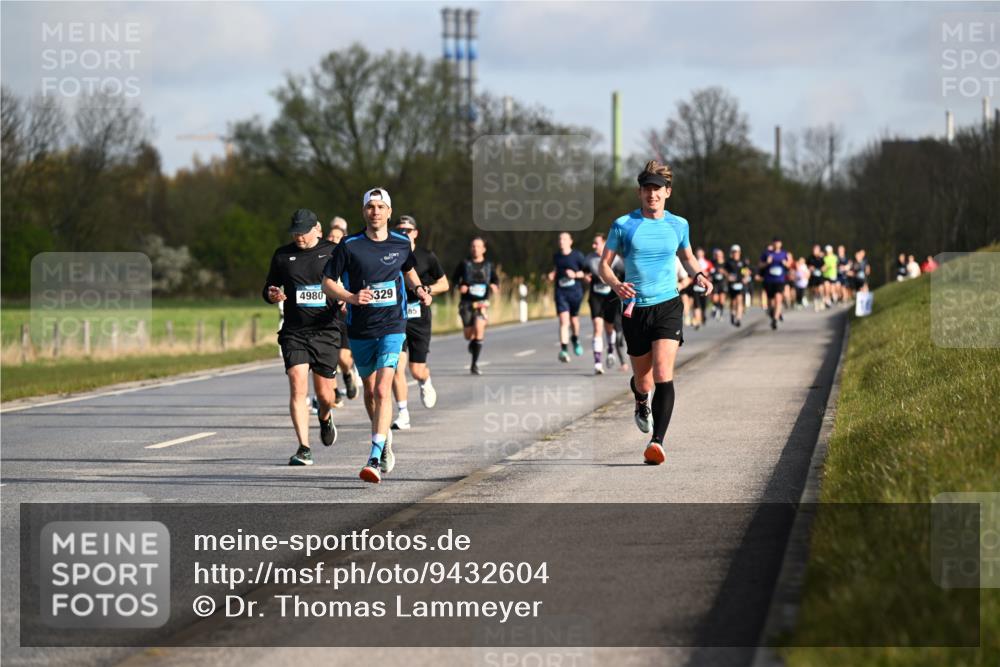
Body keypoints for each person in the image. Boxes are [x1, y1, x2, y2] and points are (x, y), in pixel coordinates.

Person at [599, 160, 712, 466]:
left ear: (667, 193)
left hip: (668, 305)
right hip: (636, 309)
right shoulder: (624, 225)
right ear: (640, 193)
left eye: (657, 189)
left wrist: (699, 274)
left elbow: (687, 256)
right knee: (644, 381)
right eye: (647, 189)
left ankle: (657, 442)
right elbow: (604, 265)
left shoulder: (679, 225)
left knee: (663, 373)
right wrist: (617, 284)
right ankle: (640, 399)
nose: (652, 195)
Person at [321, 187, 432, 484]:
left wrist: (419, 289)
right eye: (371, 207)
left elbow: (408, 271)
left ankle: (373, 455)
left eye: (381, 207)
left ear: (389, 212)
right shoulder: (349, 245)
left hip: (393, 325)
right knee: (370, 392)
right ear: (364, 212)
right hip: (360, 328)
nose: (376, 212)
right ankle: (383, 441)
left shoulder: (400, 242)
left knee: (384, 390)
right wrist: (351, 297)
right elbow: (327, 283)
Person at [263, 209, 341, 466]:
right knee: (298, 385)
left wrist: (346, 300)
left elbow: (349, 281)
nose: (299, 237)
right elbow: (269, 288)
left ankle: (325, 417)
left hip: (326, 331)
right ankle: (304, 448)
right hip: (295, 332)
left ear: (316, 228)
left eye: (304, 231)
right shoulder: (282, 255)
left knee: (325, 395)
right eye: (295, 232)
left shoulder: (333, 251)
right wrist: (272, 294)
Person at [390, 215, 449, 430]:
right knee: (397, 367)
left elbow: (444, 284)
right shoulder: (390, 253)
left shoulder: (426, 256)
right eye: (400, 230)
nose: (404, 233)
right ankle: (403, 413)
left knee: (416, 370)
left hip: (420, 318)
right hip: (397, 318)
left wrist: (427, 290)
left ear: (415, 233)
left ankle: (425, 381)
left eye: (408, 230)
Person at [452, 237, 500, 375]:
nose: (475, 249)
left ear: (484, 249)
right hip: (466, 303)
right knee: (468, 335)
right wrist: (460, 286)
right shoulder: (464, 264)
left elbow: (496, 280)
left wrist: (494, 285)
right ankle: (473, 342)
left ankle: (474, 364)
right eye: (473, 246)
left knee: (479, 328)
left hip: (482, 303)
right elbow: (454, 279)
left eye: (478, 246)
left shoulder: (489, 265)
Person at [583, 232, 626, 374]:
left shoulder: (615, 259)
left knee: (609, 328)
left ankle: (610, 349)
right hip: (596, 297)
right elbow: (584, 272)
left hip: (611, 298)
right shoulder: (589, 258)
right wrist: (585, 277)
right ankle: (597, 363)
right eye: (593, 243)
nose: (594, 246)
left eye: (597, 243)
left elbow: (624, 275)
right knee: (597, 327)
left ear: (604, 243)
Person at [548, 232, 587, 362]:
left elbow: (586, 272)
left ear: (571, 241)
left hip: (575, 293)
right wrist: (552, 274)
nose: (561, 241)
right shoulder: (556, 256)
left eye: (564, 239)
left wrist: (575, 275)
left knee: (574, 320)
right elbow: (556, 269)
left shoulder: (577, 256)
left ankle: (575, 339)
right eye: (560, 239)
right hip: (561, 293)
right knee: (563, 321)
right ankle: (564, 350)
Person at [761, 237, 794, 330]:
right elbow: (760, 265)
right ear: (772, 244)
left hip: (780, 281)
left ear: (781, 244)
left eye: (778, 243)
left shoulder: (784, 254)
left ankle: (775, 320)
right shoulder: (767, 254)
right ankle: (773, 313)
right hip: (769, 281)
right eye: (775, 243)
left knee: (778, 299)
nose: (776, 244)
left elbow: (790, 265)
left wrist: (785, 263)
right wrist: (767, 263)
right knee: (771, 302)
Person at [723, 244, 748, 327]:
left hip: (740, 283)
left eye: (736, 252)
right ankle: (733, 314)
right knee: (733, 301)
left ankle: (738, 319)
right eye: (734, 252)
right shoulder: (728, 262)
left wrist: (745, 277)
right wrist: (728, 276)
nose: (735, 254)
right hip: (732, 284)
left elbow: (745, 270)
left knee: (739, 300)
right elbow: (724, 271)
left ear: (739, 252)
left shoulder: (743, 261)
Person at [709, 248, 728, 321]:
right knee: (714, 298)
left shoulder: (726, 263)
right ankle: (715, 308)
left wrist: (724, 272)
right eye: (717, 255)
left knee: (722, 300)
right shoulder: (712, 262)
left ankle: (720, 313)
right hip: (715, 283)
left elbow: (729, 274)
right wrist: (710, 276)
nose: (718, 256)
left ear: (722, 255)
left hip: (723, 283)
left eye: (720, 255)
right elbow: (709, 271)